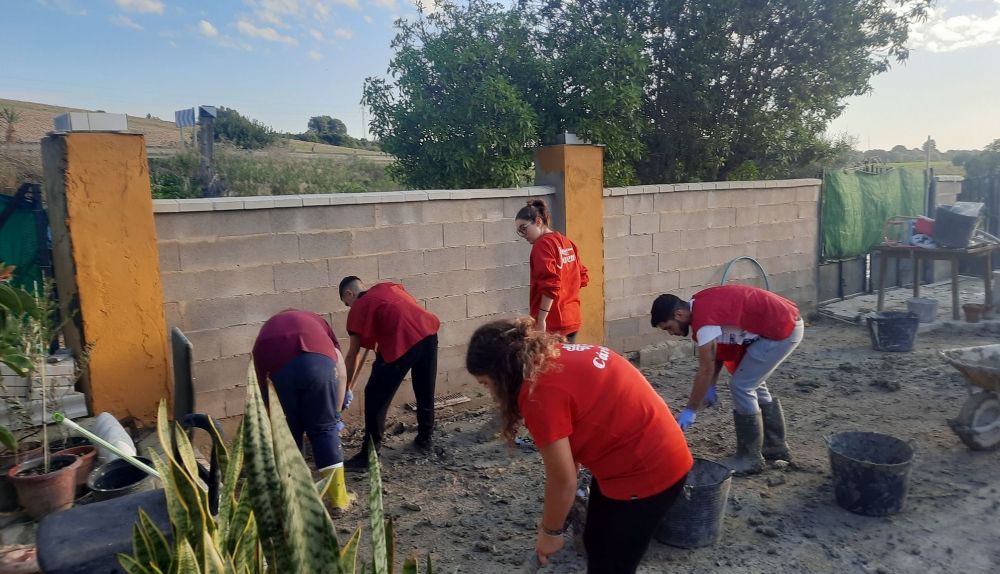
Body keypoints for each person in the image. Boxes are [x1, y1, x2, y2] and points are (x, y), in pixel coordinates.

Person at [466, 318, 693, 573]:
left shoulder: (538, 393)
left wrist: (550, 531)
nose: (491, 394)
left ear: (502, 373)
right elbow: (568, 459)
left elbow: (563, 480)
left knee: (611, 565)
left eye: (487, 384)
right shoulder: (550, 357)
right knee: (594, 540)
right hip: (636, 457)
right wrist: (556, 523)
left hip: (648, 471)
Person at [650, 284, 804, 475]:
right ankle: (775, 446)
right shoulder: (701, 305)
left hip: (781, 329)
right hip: (782, 323)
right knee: (752, 382)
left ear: (679, 314)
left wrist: (690, 410)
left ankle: (750, 459)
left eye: (669, 328)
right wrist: (711, 386)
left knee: (742, 386)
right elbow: (718, 353)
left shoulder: (703, 321)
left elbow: (705, 369)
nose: (671, 333)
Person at [251, 309, 352, 510]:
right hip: (318, 365)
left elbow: (260, 389)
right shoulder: (319, 324)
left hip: (276, 370)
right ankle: (339, 500)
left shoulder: (268, 330)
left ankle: (296, 501)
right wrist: (336, 413)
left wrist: (272, 422)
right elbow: (340, 373)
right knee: (324, 430)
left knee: (288, 435)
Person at [338, 276, 440, 472]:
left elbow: (352, 354)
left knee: (375, 396)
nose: (349, 307)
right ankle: (425, 439)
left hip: (403, 340)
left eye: (346, 303)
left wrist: (346, 388)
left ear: (349, 294)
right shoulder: (389, 287)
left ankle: (369, 456)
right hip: (427, 333)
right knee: (425, 390)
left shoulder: (359, 307)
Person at [514, 199, 589, 342]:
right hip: (572, 319)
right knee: (567, 362)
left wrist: (542, 319)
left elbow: (550, 284)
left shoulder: (542, 245)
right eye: (519, 232)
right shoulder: (566, 241)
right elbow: (582, 277)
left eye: (524, 228)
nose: (523, 235)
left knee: (551, 363)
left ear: (538, 221)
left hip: (552, 324)